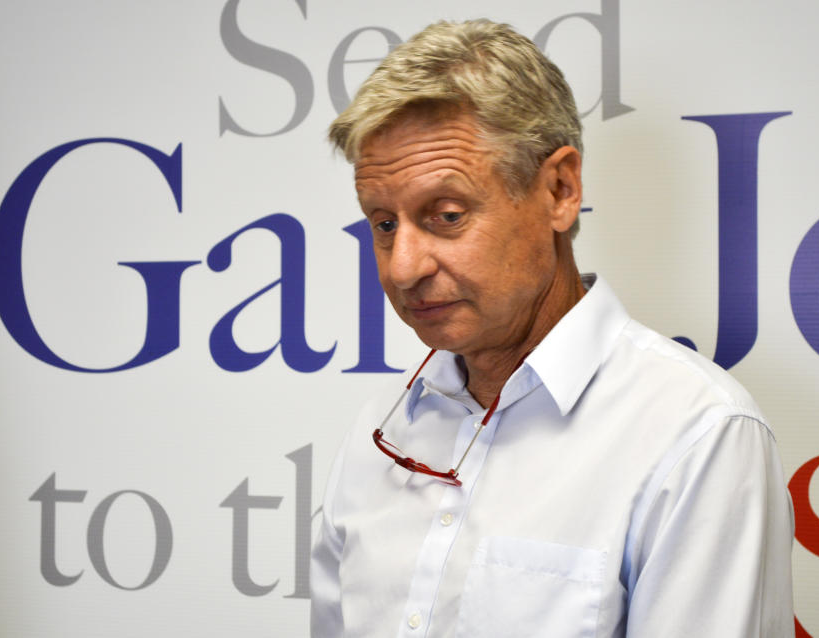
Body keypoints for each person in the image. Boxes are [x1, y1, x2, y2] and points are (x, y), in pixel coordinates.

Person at [310, 19, 793, 638]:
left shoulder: (696, 435)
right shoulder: (381, 429)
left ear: (560, 190)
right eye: (382, 224)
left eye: (447, 215)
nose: (402, 267)